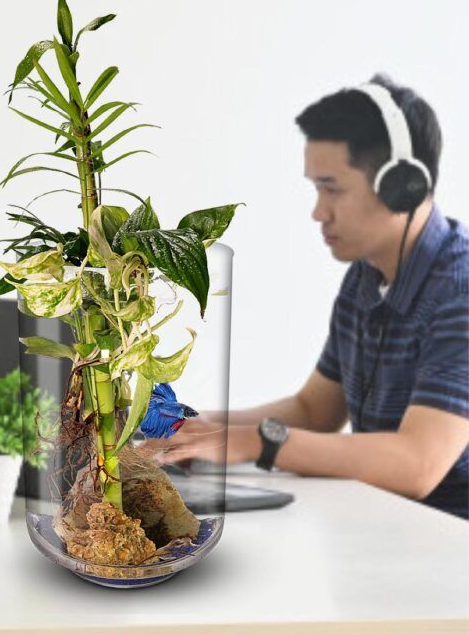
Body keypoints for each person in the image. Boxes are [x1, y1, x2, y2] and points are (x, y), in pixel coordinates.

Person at [160, 75, 469, 520]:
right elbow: (314, 410)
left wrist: (258, 442)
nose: (318, 212)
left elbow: (417, 463)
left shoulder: (459, 290)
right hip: (391, 528)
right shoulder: (366, 277)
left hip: (450, 544)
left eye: (332, 188)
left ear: (402, 186)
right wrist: (195, 428)